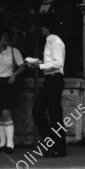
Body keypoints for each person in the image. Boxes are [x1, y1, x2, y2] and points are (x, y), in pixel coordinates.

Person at [28, 15, 67, 158]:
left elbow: (58, 63)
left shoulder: (55, 42)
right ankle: (51, 143)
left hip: (55, 79)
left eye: (43, 27)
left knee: (55, 115)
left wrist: (40, 66)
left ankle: (59, 148)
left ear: (48, 28)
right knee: (38, 110)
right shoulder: (50, 41)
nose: (41, 29)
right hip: (50, 80)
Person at [0, 27, 25, 154]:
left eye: (7, 37)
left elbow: (22, 66)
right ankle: (2, 143)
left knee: (6, 112)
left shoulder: (13, 51)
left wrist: (14, 75)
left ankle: (10, 144)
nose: (6, 39)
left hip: (7, 83)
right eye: (4, 37)